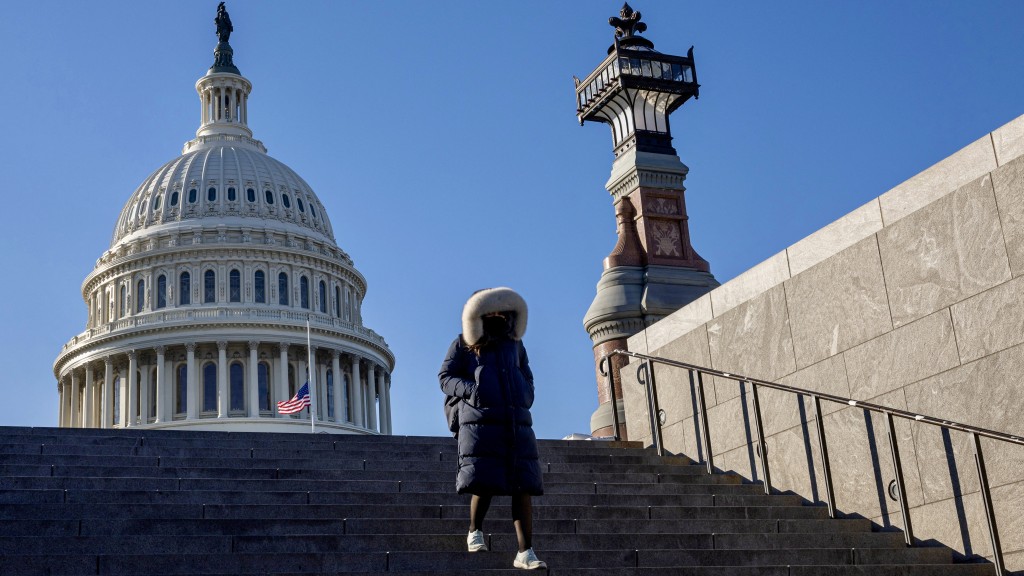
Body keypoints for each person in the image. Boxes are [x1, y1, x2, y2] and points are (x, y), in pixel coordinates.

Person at [438, 287, 546, 570]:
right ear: (480, 313)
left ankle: (526, 551)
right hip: (481, 421)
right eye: (492, 310)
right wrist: (473, 391)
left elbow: (526, 374)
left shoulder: (515, 344)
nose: (498, 314)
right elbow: (445, 377)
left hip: (515, 420)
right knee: (484, 480)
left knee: (522, 484)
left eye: (502, 309)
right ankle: (475, 529)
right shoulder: (463, 343)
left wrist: (525, 393)